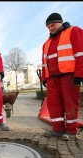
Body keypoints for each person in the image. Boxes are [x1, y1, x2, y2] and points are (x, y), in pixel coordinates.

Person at [41, 13, 83, 141]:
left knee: (70, 104)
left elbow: (81, 53)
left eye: (52, 25)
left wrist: (79, 74)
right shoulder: (46, 43)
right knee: (53, 105)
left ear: (60, 22)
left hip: (68, 76)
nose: (50, 29)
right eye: (48, 27)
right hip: (52, 78)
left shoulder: (73, 31)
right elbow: (44, 62)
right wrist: (44, 78)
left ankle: (71, 131)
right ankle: (58, 129)